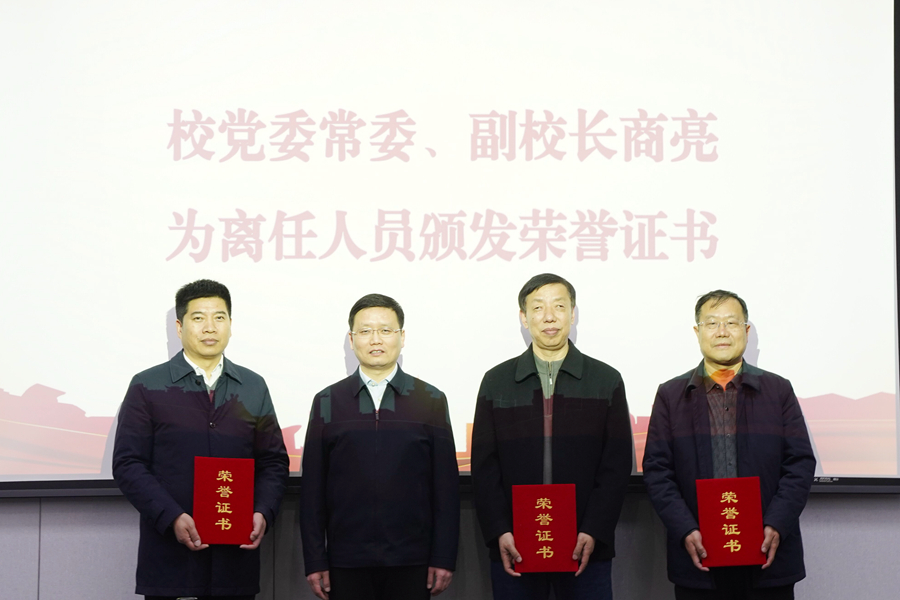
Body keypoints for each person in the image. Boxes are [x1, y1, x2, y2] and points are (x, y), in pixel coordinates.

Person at [113, 279, 289, 600]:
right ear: (180, 327)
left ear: (230, 325)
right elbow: (128, 463)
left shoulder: (253, 386)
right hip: (169, 561)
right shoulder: (147, 386)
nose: (210, 327)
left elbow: (273, 461)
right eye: (198, 318)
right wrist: (171, 516)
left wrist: (263, 511)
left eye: (219, 317)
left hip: (235, 561)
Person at [642, 290, 816, 600]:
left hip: (767, 557)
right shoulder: (671, 395)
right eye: (711, 323)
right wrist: (685, 528)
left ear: (746, 330)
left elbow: (799, 464)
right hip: (699, 556)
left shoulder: (777, 390)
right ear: (697, 332)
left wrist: (777, 523)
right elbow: (658, 471)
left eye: (731, 323)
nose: (722, 331)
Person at [471, 273, 633, 600]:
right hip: (515, 545)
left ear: (573, 314)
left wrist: (594, 530)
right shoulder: (496, 381)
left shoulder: (605, 380)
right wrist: (500, 531)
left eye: (559, 306)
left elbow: (616, 466)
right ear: (523, 317)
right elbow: (485, 467)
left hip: (584, 546)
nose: (549, 316)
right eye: (538, 307)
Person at [300, 293, 459, 600]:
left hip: (412, 560)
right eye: (365, 331)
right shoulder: (327, 401)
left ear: (402, 337)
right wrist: (315, 559)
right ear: (351, 339)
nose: (376, 339)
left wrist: (443, 556)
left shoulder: (430, 400)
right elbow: (313, 491)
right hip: (346, 561)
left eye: (386, 330)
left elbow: (445, 488)